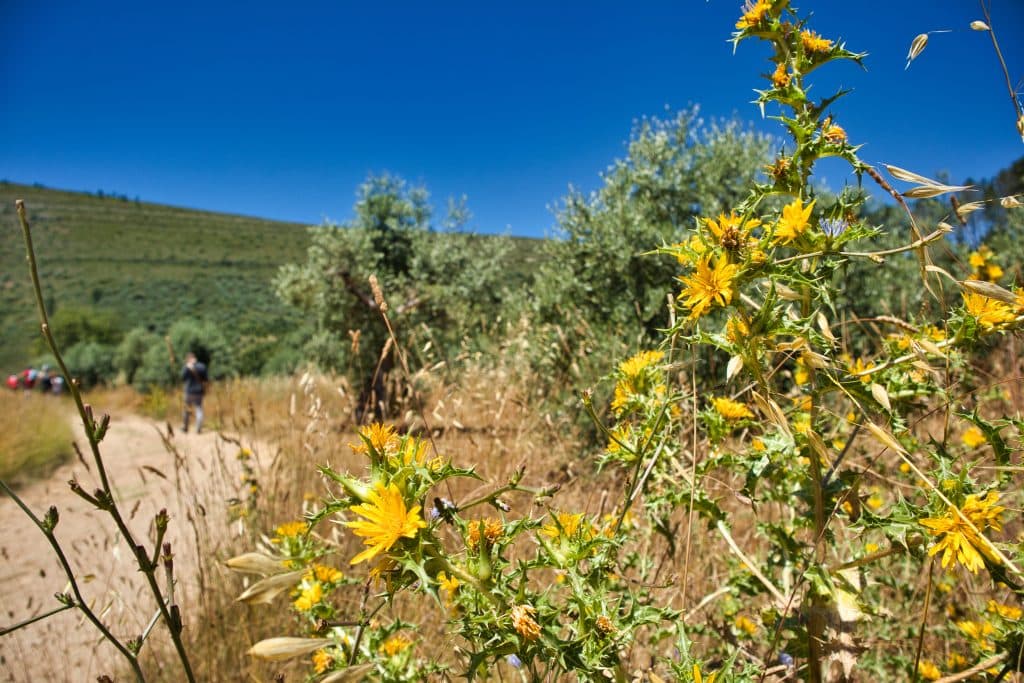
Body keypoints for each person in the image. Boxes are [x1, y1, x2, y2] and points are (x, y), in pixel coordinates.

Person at [181, 352, 208, 433]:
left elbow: (182, 377)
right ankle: (198, 428)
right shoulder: (202, 366)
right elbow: (206, 379)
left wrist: (186, 367)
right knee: (199, 409)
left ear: (188, 359)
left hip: (189, 391)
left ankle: (185, 427)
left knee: (186, 409)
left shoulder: (187, 366)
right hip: (199, 391)